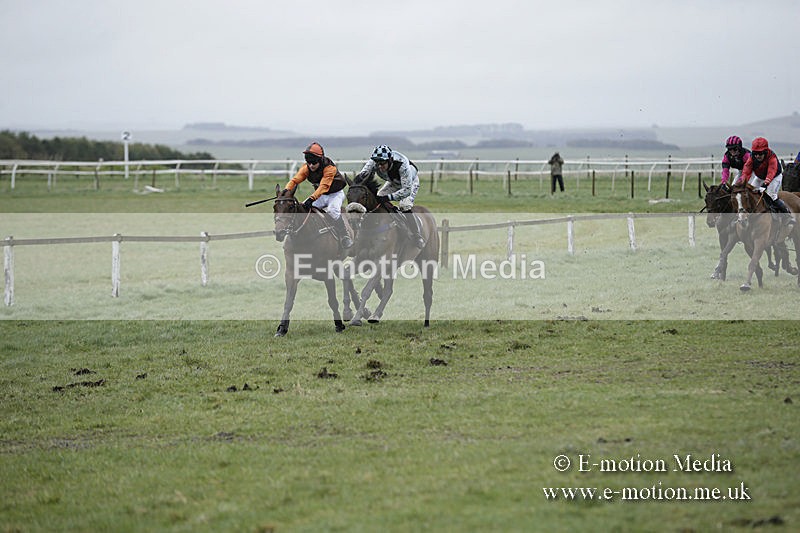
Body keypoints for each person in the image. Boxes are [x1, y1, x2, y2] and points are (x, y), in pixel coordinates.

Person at [283, 142, 352, 248]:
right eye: (308, 162)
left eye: (314, 162)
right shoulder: (306, 168)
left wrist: (312, 198)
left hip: (335, 194)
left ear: (320, 160)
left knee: (333, 211)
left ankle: (344, 236)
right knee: (302, 209)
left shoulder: (330, 168)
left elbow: (324, 186)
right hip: (321, 195)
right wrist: (286, 190)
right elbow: (294, 180)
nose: (311, 165)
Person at [354, 144, 425, 248]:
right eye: (377, 163)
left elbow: (406, 190)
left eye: (382, 163)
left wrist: (389, 197)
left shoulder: (402, 164)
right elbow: (362, 176)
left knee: (404, 205)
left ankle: (417, 235)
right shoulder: (374, 161)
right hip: (393, 182)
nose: (379, 166)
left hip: (409, 183)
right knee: (378, 197)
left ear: (390, 160)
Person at [735, 137, 794, 227]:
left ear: (765, 152)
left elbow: (771, 172)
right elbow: (746, 172)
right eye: (755, 153)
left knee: (771, 195)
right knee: (749, 193)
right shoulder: (751, 158)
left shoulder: (772, 157)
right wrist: (741, 183)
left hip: (774, 177)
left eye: (760, 154)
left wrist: (765, 184)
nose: (757, 156)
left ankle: (787, 215)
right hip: (760, 177)